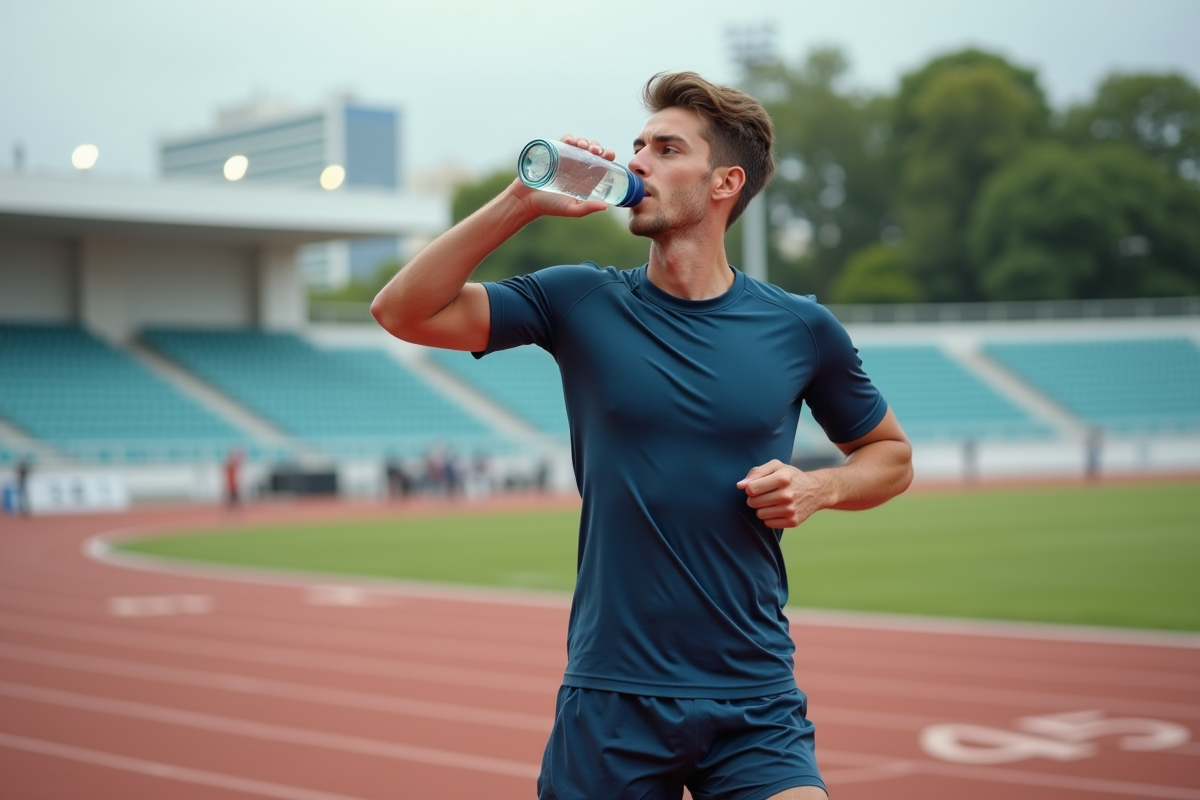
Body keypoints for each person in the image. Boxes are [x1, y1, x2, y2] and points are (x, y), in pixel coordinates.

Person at [372, 72, 912, 800]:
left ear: (725, 182)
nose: (637, 164)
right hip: (612, 696)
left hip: (754, 693)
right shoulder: (578, 300)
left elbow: (891, 456)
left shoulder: (802, 327)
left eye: (665, 148)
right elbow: (402, 312)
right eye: (636, 146)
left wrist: (821, 486)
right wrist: (520, 203)